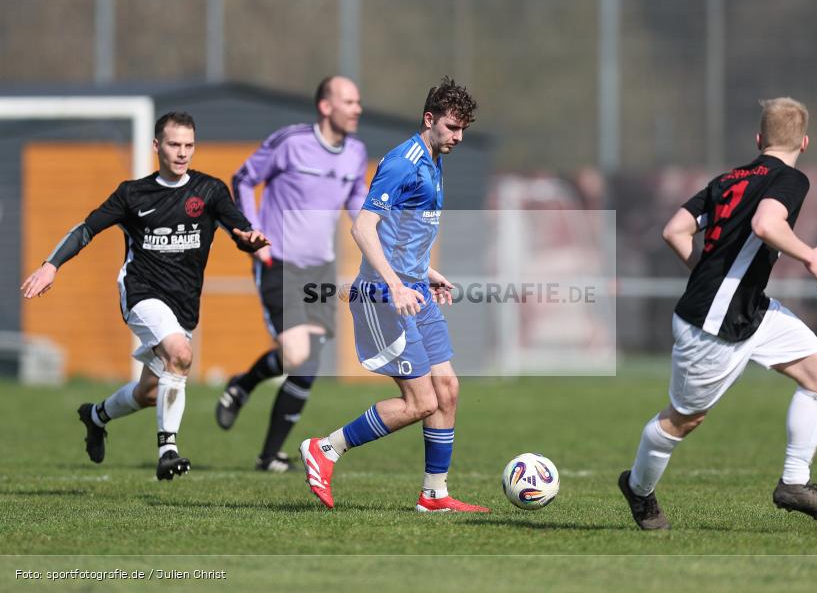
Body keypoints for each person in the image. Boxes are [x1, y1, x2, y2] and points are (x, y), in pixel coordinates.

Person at [617, 97, 817, 529]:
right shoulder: (792, 179)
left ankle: (795, 484)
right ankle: (638, 488)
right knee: (684, 419)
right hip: (712, 323)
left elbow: (675, 230)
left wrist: (710, 272)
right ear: (804, 141)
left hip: (751, 311)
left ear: (759, 139)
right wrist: (809, 257)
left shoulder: (729, 179)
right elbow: (766, 224)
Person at [21, 112, 269, 481]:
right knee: (181, 354)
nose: (182, 153)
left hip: (183, 304)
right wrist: (51, 265)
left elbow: (239, 228)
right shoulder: (132, 194)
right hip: (141, 293)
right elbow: (86, 229)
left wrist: (249, 238)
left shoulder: (209, 191)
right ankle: (168, 451)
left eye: (188, 145)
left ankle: (96, 415)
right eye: (174, 144)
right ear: (157, 146)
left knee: (150, 393)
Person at [299, 76, 489, 512]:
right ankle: (324, 449)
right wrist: (396, 283)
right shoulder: (404, 162)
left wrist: (427, 272)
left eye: (463, 130)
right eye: (452, 127)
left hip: (415, 290)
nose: (458, 137)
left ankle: (435, 495)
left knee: (448, 388)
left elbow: (403, 235)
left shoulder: (434, 160)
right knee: (421, 401)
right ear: (429, 119)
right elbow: (363, 228)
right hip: (386, 297)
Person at [215, 76, 368, 473]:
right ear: (325, 106)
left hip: (321, 266)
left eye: (358, 102)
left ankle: (268, 454)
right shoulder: (290, 142)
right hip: (277, 260)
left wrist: (381, 242)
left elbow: (358, 205)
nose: (357, 109)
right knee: (298, 354)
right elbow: (244, 178)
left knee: (308, 360)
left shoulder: (355, 152)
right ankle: (245, 387)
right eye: (349, 101)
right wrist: (252, 233)